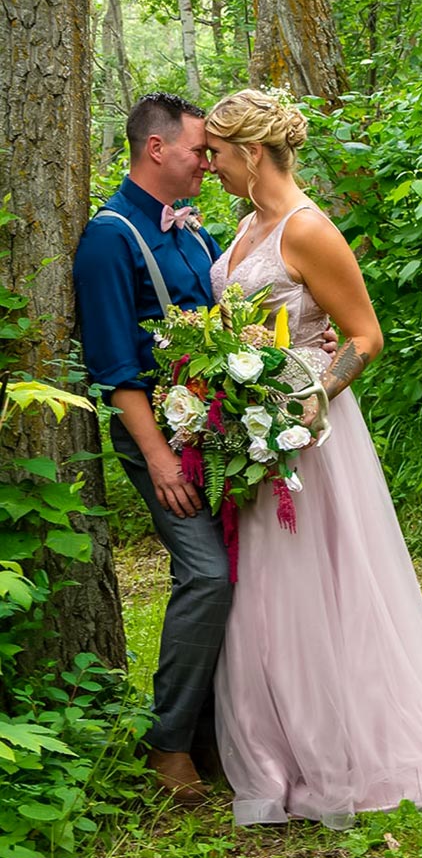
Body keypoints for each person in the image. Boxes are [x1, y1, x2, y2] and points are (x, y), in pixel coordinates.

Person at [203, 89, 422, 829]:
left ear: (251, 153)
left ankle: (336, 744)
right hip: (248, 428)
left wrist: (317, 396)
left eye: (216, 154)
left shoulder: (308, 231)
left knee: (313, 587)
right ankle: (271, 745)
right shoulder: (246, 226)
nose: (207, 166)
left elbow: (364, 335)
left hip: (308, 433)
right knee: (261, 594)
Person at [73, 93, 228, 804]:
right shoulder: (108, 238)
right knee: (207, 577)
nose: (210, 160)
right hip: (158, 440)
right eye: (201, 149)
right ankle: (166, 745)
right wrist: (160, 460)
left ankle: (219, 734)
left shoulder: (195, 231)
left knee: (249, 575)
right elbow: (113, 368)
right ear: (157, 149)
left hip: (222, 435)